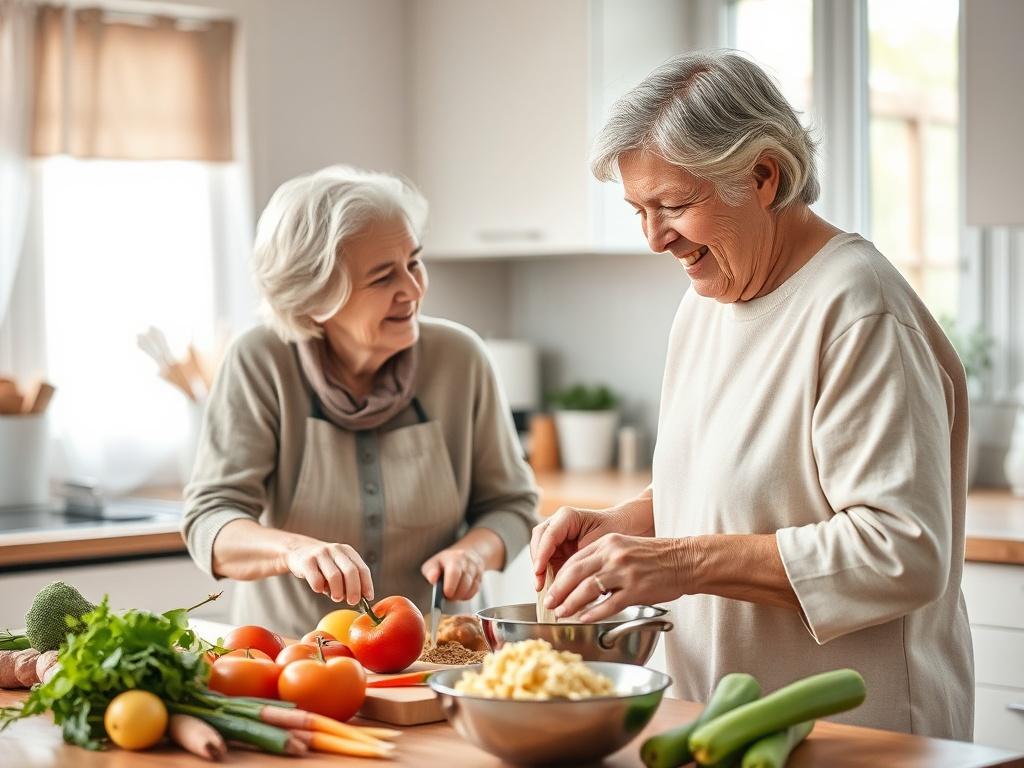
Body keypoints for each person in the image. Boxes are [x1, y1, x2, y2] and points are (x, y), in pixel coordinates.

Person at [531, 51, 973, 739]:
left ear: (763, 175)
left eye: (673, 205)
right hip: (718, 726)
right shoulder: (705, 302)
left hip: (859, 736)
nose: (653, 238)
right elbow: (746, 484)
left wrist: (677, 562)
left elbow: (903, 551)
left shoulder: (858, 308)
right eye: (639, 210)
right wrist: (631, 523)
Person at [182, 165, 537, 637]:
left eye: (414, 261)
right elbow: (211, 521)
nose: (412, 289)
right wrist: (294, 551)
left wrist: (474, 550)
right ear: (315, 298)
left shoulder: (461, 358)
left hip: (436, 655)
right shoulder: (260, 361)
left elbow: (511, 505)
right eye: (382, 277)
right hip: (294, 659)